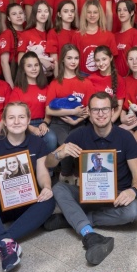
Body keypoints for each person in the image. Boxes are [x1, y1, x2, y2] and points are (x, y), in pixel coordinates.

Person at [43, 92, 137, 265]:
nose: (100, 114)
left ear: (112, 111)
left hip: (117, 196)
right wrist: (60, 153)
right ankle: (86, 230)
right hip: (88, 194)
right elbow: (48, 162)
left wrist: (133, 191)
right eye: (96, 110)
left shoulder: (126, 137)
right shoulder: (79, 135)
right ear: (89, 112)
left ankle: (75, 220)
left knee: (134, 210)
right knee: (59, 188)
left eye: (105, 109)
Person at [0, 102, 55, 272]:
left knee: (49, 200)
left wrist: (47, 186)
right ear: (4, 122)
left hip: (27, 200)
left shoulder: (37, 143)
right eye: (11, 117)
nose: (16, 121)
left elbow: (43, 173)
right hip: (1, 203)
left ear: (28, 120)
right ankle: (6, 242)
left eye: (21, 117)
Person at [45, 44, 92, 184]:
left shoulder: (86, 82)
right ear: (63, 60)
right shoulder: (55, 83)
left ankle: (76, 174)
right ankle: (65, 174)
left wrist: (77, 120)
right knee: (67, 145)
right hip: (58, 124)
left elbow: (91, 108)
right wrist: (72, 112)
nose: (73, 61)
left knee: (78, 145)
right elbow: (48, 110)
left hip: (79, 122)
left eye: (76, 58)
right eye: (69, 58)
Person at [9, 52, 58, 153]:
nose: (34, 68)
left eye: (36, 65)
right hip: (23, 124)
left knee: (51, 138)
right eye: (29, 66)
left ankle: (48, 164)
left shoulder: (46, 88)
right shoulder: (17, 90)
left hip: (42, 122)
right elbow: (13, 116)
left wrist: (45, 123)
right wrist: (31, 128)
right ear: (23, 69)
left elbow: (49, 111)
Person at [71, 0, 117, 75]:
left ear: (100, 14)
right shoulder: (77, 36)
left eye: (95, 12)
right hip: (83, 76)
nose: (92, 15)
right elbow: (73, 59)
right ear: (85, 14)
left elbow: (113, 60)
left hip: (103, 76)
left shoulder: (109, 36)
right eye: (89, 12)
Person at [88, 46, 126, 123]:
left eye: (104, 59)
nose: (101, 63)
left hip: (112, 121)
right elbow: (88, 106)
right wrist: (96, 124)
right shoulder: (90, 79)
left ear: (111, 58)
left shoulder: (119, 80)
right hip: (94, 122)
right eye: (97, 60)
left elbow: (119, 107)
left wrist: (108, 125)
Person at [17, 0, 54, 77]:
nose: (43, 14)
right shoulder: (26, 34)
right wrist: (41, 60)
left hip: (48, 76)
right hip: (31, 76)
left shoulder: (51, 34)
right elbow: (20, 61)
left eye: (46, 11)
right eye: (39, 11)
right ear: (34, 13)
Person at [0, 3, 26, 88]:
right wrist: (10, 85)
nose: (18, 16)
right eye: (14, 14)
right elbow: (4, 62)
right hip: (14, 72)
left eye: (20, 13)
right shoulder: (7, 34)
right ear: (9, 18)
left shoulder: (28, 32)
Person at [46, 0, 77, 75]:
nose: (70, 14)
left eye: (72, 11)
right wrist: (57, 77)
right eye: (66, 11)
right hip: (61, 72)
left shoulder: (77, 32)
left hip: (76, 72)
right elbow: (54, 59)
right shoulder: (53, 32)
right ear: (59, 14)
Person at [114, 0, 137, 77]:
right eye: (119, 10)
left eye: (125, 10)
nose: (121, 13)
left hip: (130, 77)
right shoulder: (114, 36)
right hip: (116, 78)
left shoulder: (135, 34)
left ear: (132, 12)